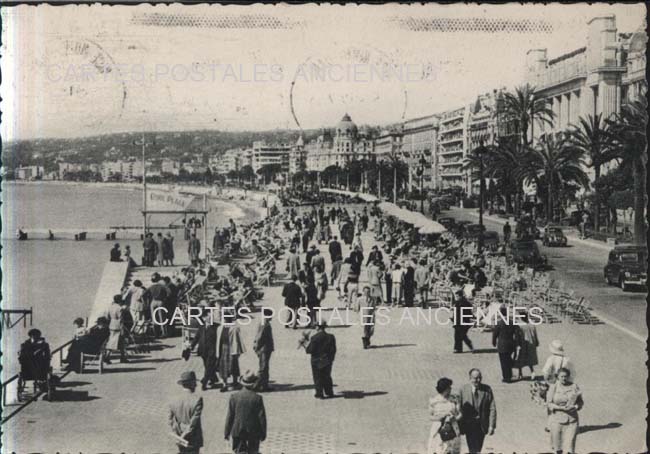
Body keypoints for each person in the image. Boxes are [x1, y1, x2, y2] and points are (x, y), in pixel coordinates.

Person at [224, 370, 267, 454]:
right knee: (253, 452)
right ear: (254, 383)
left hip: (238, 430)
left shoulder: (234, 397)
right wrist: (263, 433)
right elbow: (262, 417)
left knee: (240, 452)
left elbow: (230, 416)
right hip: (254, 431)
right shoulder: (257, 398)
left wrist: (227, 432)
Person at [457, 368, 496, 454]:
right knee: (472, 448)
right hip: (469, 425)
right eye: (475, 378)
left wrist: (491, 426)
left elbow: (492, 408)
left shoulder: (487, 389)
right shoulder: (463, 390)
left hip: (481, 425)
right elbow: (458, 407)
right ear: (470, 378)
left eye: (479, 377)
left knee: (478, 447)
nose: (478, 380)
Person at [546, 368, 583, 454]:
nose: (564, 378)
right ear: (558, 377)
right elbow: (549, 403)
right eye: (561, 376)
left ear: (568, 377)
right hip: (556, 420)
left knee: (570, 446)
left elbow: (580, 402)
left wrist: (576, 407)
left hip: (572, 420)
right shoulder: (553, 387)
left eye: (566, 376)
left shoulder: (574, 386)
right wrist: (560, 408)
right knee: (558, 448)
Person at [169, 371, 203, 454]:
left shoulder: (174, 399)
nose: (196, 385)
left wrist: (177, 434)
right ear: (191, 384)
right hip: (193, 437)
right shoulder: (197, 399)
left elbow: (170, 420)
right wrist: (184, 435)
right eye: (194, 383)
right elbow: (193, 423)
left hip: (179, 435)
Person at [427, 377, 461, 454]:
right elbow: (430, 417)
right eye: (449, 387)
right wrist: (440, 417)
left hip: (452, 429)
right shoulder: (434, 401)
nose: (451, 388)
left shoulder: (454, 399)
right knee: (438, 450)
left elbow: (460, 414)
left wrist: (455, 419)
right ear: (444, 389)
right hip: (438, 429)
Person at [190, 308, 219, 391]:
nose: (211, 318)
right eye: (209, 317)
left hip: (212, 351)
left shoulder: (216, 326)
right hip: (203, 351)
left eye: (212, 316)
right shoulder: (201, 326)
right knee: (207, 366)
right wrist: (191, 346)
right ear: (204, 318)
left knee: (209, 366)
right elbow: (197, 337)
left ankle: (204, 382)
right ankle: (213, 379)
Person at [305, 321, 337, 399]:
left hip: (316, 361)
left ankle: (319, 393)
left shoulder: (314, 338)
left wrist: (305, 345)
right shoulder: (331, 336)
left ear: (318, 327)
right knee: (327, 376)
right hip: (327, 360)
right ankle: (329, 392)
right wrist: (331, 359)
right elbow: (334, 349)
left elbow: (309, 350)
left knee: (317, 377)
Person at [217, 312, 247, 392]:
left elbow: (238, 340)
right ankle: (224, 384)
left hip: (232, 349)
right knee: (223, 367)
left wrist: (238, 352)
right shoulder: (220, 328)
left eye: (227, 319)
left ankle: (235, 382)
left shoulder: (235, 328)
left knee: (234, 366)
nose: (225, 320)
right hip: (223, 349)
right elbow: (218, 341)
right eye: (225, 319)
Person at [492, 306, 517, 382]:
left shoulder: (499, 323)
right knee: (508, 359)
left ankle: (506, 377)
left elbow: (495, 334)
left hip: (502, 345)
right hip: (510, 344)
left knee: (503, 361)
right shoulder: (512, 322)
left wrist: (493, 342)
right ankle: (509, 374)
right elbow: (516, 333)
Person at [253, 308, 274, 392]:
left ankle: (264, 385)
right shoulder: (264, 324)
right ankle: (256, 386)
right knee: (263, 368)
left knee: (265, 367)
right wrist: (256, 347)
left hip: (266, 348)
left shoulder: (265, 323)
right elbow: (259, 337)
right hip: (264, 349)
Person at [514, 312, 539, 380]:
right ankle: (532, 372)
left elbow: (517, 336)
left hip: (523, 344)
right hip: (531, 344)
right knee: (529, 358)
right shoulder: (532, 325)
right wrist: (536, 342)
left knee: (520, 358)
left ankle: (520, 373)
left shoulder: (520, 326)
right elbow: (535, 335)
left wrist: (517, 344)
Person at [146, 273, 170, 338]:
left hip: (153, 302)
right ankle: (164, 333)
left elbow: (144, 294)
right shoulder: (162, 286)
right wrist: (164, 298)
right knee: (162, 318)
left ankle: (156, 333)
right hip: (160, 301)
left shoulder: (151, 286)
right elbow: (169, 293)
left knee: (154, 318)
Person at [106, 294, 128, 363]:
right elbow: (121, 319)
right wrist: (122, 329)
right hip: (118, 326)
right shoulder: (119, 308)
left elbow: (107, 317)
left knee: (112, 341)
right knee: (118, 342)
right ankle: (108, 357)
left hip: (112, 324)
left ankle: (121, 357)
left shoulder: (110, 307)